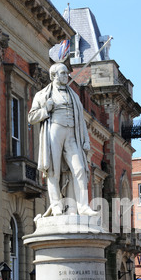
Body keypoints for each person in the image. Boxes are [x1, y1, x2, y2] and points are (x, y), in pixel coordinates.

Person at [28, 62, 97, 217]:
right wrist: (46, 109)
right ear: (54, 76)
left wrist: (85, 139)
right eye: (63, 73)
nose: (67, 76)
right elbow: (31, 117)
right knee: (53, 170)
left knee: (80, 169)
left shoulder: (74, 96)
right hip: (54, 131)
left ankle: (83, 206)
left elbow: (81, 120)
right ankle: (56, 205)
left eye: (67, 73)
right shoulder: (43, 95)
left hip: (72, 134)